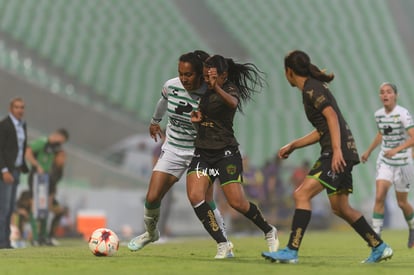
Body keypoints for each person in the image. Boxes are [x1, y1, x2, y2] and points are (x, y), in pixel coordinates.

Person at [262, 50, 393, 264]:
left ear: (289, 72)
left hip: (336, 153)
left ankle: (291, 251)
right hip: (342, 151)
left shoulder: (311, 89)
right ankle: (379, 246)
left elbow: (332, 116)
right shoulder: (314, 87)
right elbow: (323, 128)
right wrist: (293, 145)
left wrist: (337, 150)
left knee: (301, 194)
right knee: (340, 207)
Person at [128, 51, 231, 255]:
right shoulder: (171, 85)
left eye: (189, 74)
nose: (184, 79)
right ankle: (151, 233)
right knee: (152, 197)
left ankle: (224, 242)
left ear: (200, 75)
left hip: (200, 151)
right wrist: (155, 121)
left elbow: (216, 127)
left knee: (204, 198)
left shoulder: (210, 95)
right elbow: (163, 101)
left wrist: (200, 124)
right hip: (174, 148)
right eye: (181, 73)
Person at [187, 54, 279, 259]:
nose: (207, 80)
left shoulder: (229, 89)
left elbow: (232, 104)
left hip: (226, 153)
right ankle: (222, 243)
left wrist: (216, 87)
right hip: (203, 152)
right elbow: (206, 118)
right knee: (195, 197)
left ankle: (268, 230)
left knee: (237, 203)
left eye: (211, 76)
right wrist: (197, 120)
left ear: (224, 75)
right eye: (205, 76)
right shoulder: (205, 91)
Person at [361, 82, 414, 248]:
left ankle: (413, 228)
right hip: (385, 161)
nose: (385, 95)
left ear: (395, 95)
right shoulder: (378, 115)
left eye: (389, 92)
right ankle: (376, 239)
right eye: (382, 92)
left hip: (403, 164)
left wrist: (397, 149)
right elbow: (381, 134)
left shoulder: (403, 114)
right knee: (379, 196)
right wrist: (368, 151)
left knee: (402, 203)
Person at [25, 128, 69, 245]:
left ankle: (43, 237)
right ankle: (34, 237)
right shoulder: (42, 142)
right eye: (61, 140)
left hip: (47, 179)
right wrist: (37, 165)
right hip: (36, 177)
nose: (61, 143)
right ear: (57, 135)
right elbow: (27, 152)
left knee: (45, 206)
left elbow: (57, 161)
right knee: (35, 205)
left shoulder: (55, 148)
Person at [0, 97, 29, 249]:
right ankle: (1, 242)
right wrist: (4, 170)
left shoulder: (22, 125)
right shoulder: (4, 125)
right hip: (6, 172)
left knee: (11, 208)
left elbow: (20, 147)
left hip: (16, 170)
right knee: (3, 208)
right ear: (11, 108)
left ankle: (6, 241)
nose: (20, 110)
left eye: (22, 107)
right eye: (17, 107)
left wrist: (22, 165)